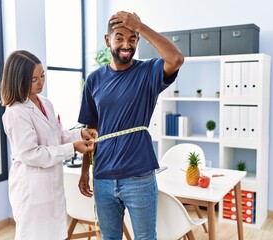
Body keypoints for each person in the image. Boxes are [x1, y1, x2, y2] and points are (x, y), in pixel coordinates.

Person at [78, 11, 184, 239]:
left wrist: (141, 27)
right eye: (119, 38)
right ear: (108, 41)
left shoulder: (148, 72)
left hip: (138, 176)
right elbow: (90, 130)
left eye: (132, 38)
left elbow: (176, 59)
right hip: (103, 176)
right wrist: (85, 169)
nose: (126, 45)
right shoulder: (94, 80)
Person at [0, 50, 97, 240]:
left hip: (52, 185)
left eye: (42, 75)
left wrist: (80, 134)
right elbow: (31, 154)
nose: (40, 82)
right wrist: (73, 148)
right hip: (31, 189)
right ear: (18, 80)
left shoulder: (45, 102)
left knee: (55, 234)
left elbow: (57, 135)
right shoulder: (16, 112)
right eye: (33, 79)